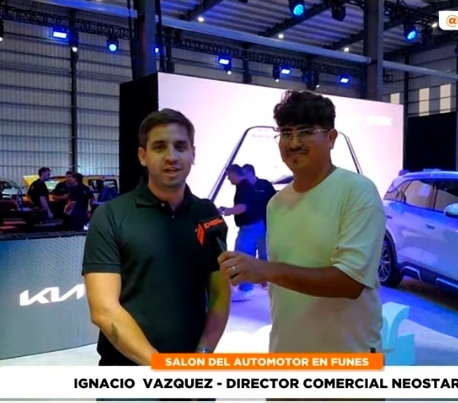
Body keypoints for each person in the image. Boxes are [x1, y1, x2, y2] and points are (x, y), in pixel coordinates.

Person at [217, 90, 385, 354]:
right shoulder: (276, 203)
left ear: (331, 138)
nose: (294, 142)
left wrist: (266, 270)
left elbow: (350, 282)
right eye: (286, 133)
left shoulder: (357, 191)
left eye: (306, 132)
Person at [82, 109, 230, 379]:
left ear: (193, 153)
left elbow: (220, 295)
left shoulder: (207, 214)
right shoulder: (111, 216)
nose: (171, 156)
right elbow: (103, 309)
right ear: (143, 156)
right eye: (160, 147)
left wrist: (202, 357)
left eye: (180, 146)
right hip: (127, 377)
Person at [219, 164, 261, 302]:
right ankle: (246, 288)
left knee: (243, 257)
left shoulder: (243, 187)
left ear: (233, 173)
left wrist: (225, 211)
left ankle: (246, 290)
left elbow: (242, 208)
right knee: (245, 256)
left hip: (250, 227)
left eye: (228, 176)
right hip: (254, 226)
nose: (228, 179)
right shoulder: (246, 186)